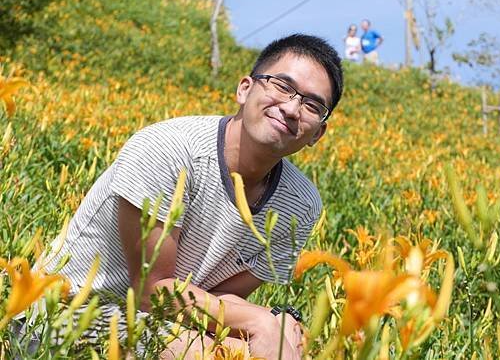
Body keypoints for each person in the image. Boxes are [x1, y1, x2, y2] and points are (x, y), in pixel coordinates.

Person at [41, 34, 344, 359]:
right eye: (282, 86)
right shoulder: (168, 149)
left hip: (166, 323)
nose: (292, 108)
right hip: (65, 313)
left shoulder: (300, 205)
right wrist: (261, 320)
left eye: (312, 105)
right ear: (244, 89)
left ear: (318, 133)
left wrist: (274, 326)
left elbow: (220, 296)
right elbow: (151, 292)